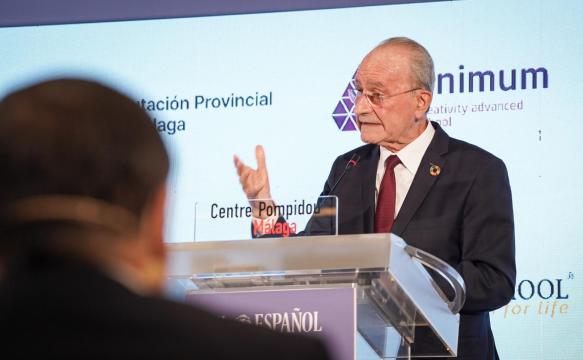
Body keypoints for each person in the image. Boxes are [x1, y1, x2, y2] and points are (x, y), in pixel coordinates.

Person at [0, 79, 331, 359]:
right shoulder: (272, 354)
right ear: (158, 216)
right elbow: (311, 254)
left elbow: (315, 256)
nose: (359, 108)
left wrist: (262, 205)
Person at [234, 37, 516, 359]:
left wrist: (402, 277)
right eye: (358, 92)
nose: (359, 108)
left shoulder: (477, 170)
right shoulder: (349, 166)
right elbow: (307, 255)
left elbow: (494, 281)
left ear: (420, 102)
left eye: (376, 96)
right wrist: (263, 205)